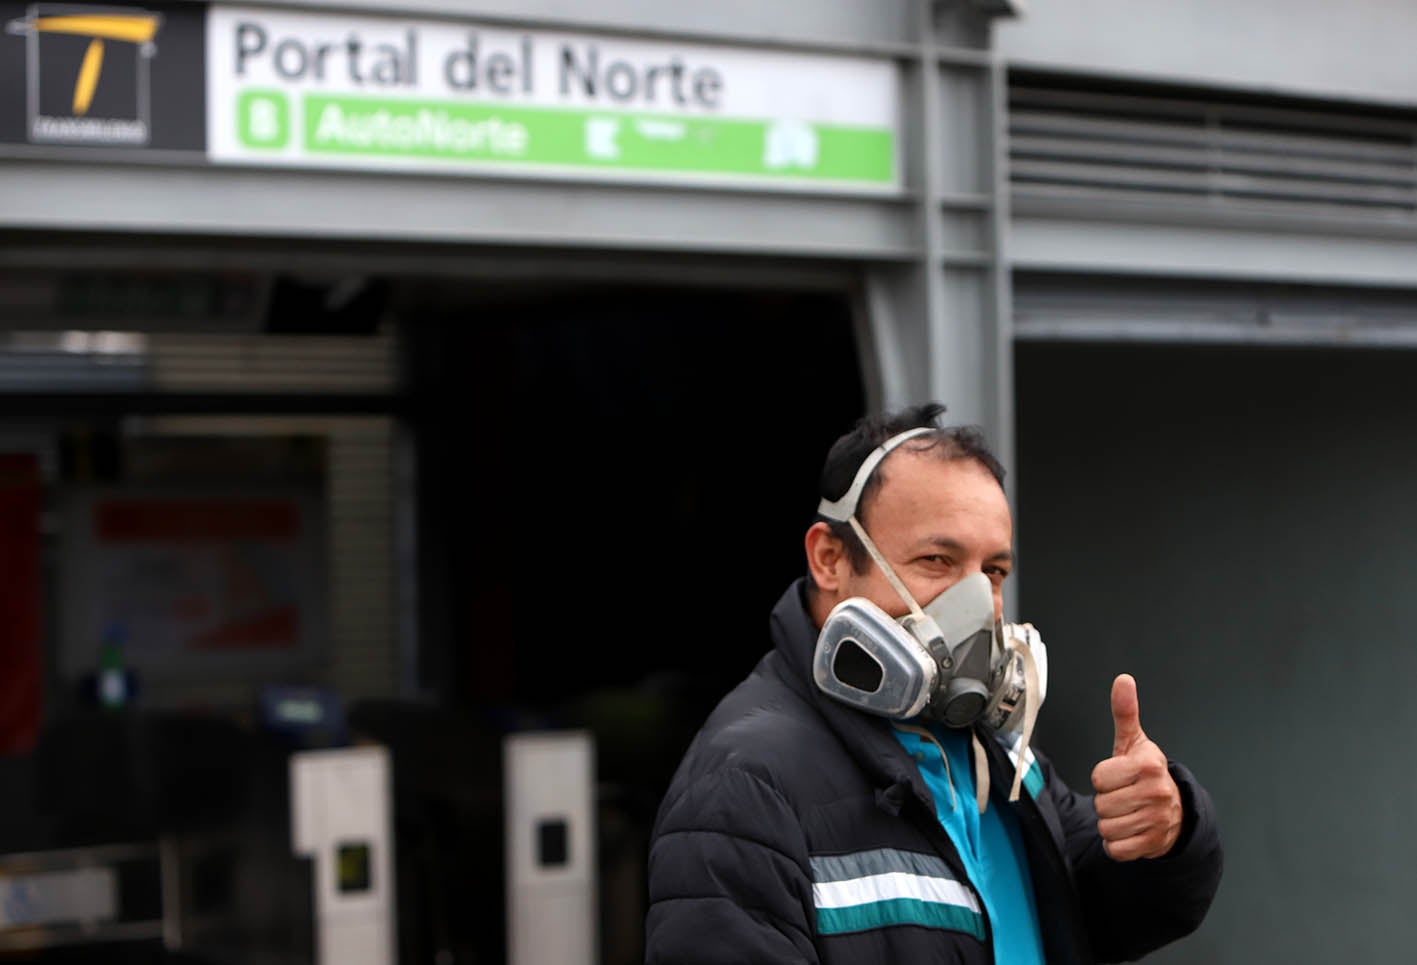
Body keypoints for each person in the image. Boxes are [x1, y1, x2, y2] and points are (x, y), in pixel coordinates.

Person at [644, 402, 1222, 964]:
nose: (976, 606)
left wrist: (1164, 831)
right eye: (937, 561)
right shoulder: (744, 784)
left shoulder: (998, 760)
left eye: (993, 572)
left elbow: (1113, 915)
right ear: (829, 559)